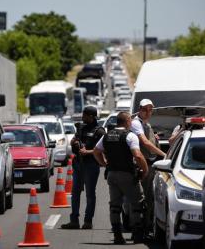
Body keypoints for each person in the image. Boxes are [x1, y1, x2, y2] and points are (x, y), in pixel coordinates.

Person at [93, 112, 148, 244]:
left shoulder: (107, 136)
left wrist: (104, 163)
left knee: (115, 206)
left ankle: (118, 236)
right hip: (127, 174)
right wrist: (145, 170)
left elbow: (96, 151)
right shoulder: (130, 136)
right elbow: (138, 156)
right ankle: (137, 234)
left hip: (112, 174)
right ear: (128, 121)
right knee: (137, 204)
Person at [61, 105, 106, 230]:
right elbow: (73, 140)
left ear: (91, 116)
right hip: (78, 164)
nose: (82, 117)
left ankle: (88, 221)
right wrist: (74, 142)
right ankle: (74, 220)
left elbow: (103, 150)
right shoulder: (81, 127)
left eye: (85, 115)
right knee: (75, 192)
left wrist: (89, 152)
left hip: (91, 165)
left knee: (90, 194)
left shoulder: (99, 131)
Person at [130, 98, 166, 235]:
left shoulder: (146, 124)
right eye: (145, 109)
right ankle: (140, 229)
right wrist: (164, 155)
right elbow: (145, 143)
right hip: (142, 163)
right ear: (139, 109)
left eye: (150, 109)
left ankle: (147, 226)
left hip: (150, 163)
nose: (148, 112)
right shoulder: (136, 123)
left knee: (149, 197)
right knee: (143, 198)